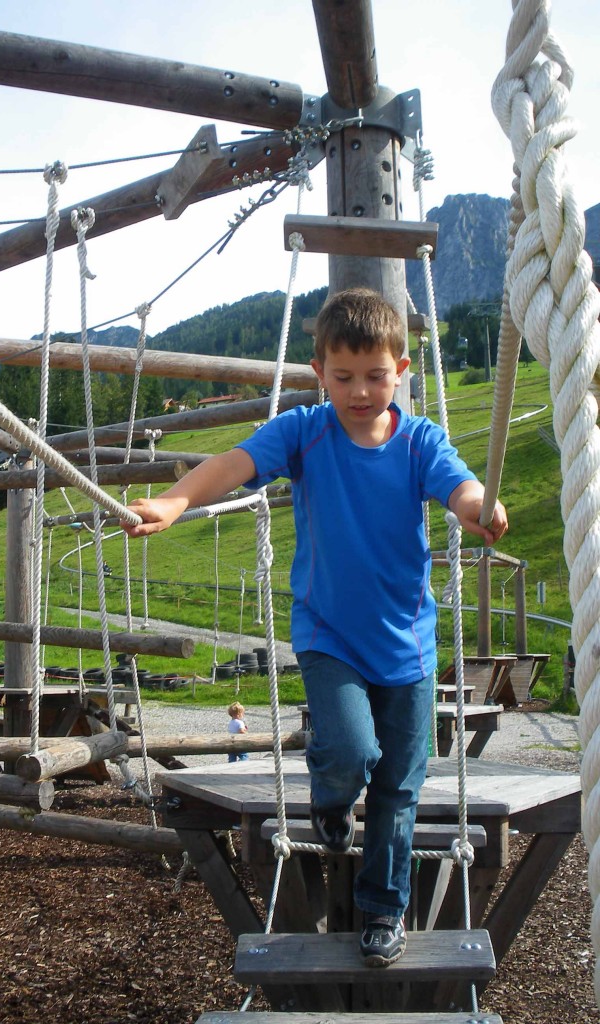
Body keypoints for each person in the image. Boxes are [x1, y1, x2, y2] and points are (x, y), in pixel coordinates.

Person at [122, 287, 508, 967]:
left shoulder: (420, 441)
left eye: (376, 376)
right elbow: (234, 464)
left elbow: (463, 488)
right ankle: (331, 800)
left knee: (399, 787)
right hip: (329, 634)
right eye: (344, 376)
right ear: (319, 372)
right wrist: (177, 499)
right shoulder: (306, 431)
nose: (360, 391)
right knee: (355, 753)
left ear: (403, 370)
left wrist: (480, 508)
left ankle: (382, 909)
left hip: (409, 644)